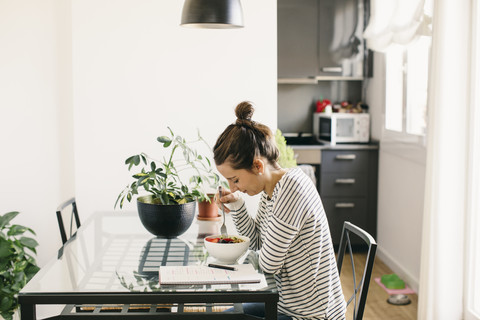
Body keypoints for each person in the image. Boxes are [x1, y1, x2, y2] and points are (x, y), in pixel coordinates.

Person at [213, 101, 346, 320]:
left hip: (312, 316)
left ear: (258, 166)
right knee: (220, 317)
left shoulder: (291, 187)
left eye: (235, 179)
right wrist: (237, 205)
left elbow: (269, 263)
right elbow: (257, 243)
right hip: (287, 306)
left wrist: (248, 261)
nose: (233, 187)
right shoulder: (270, 191)